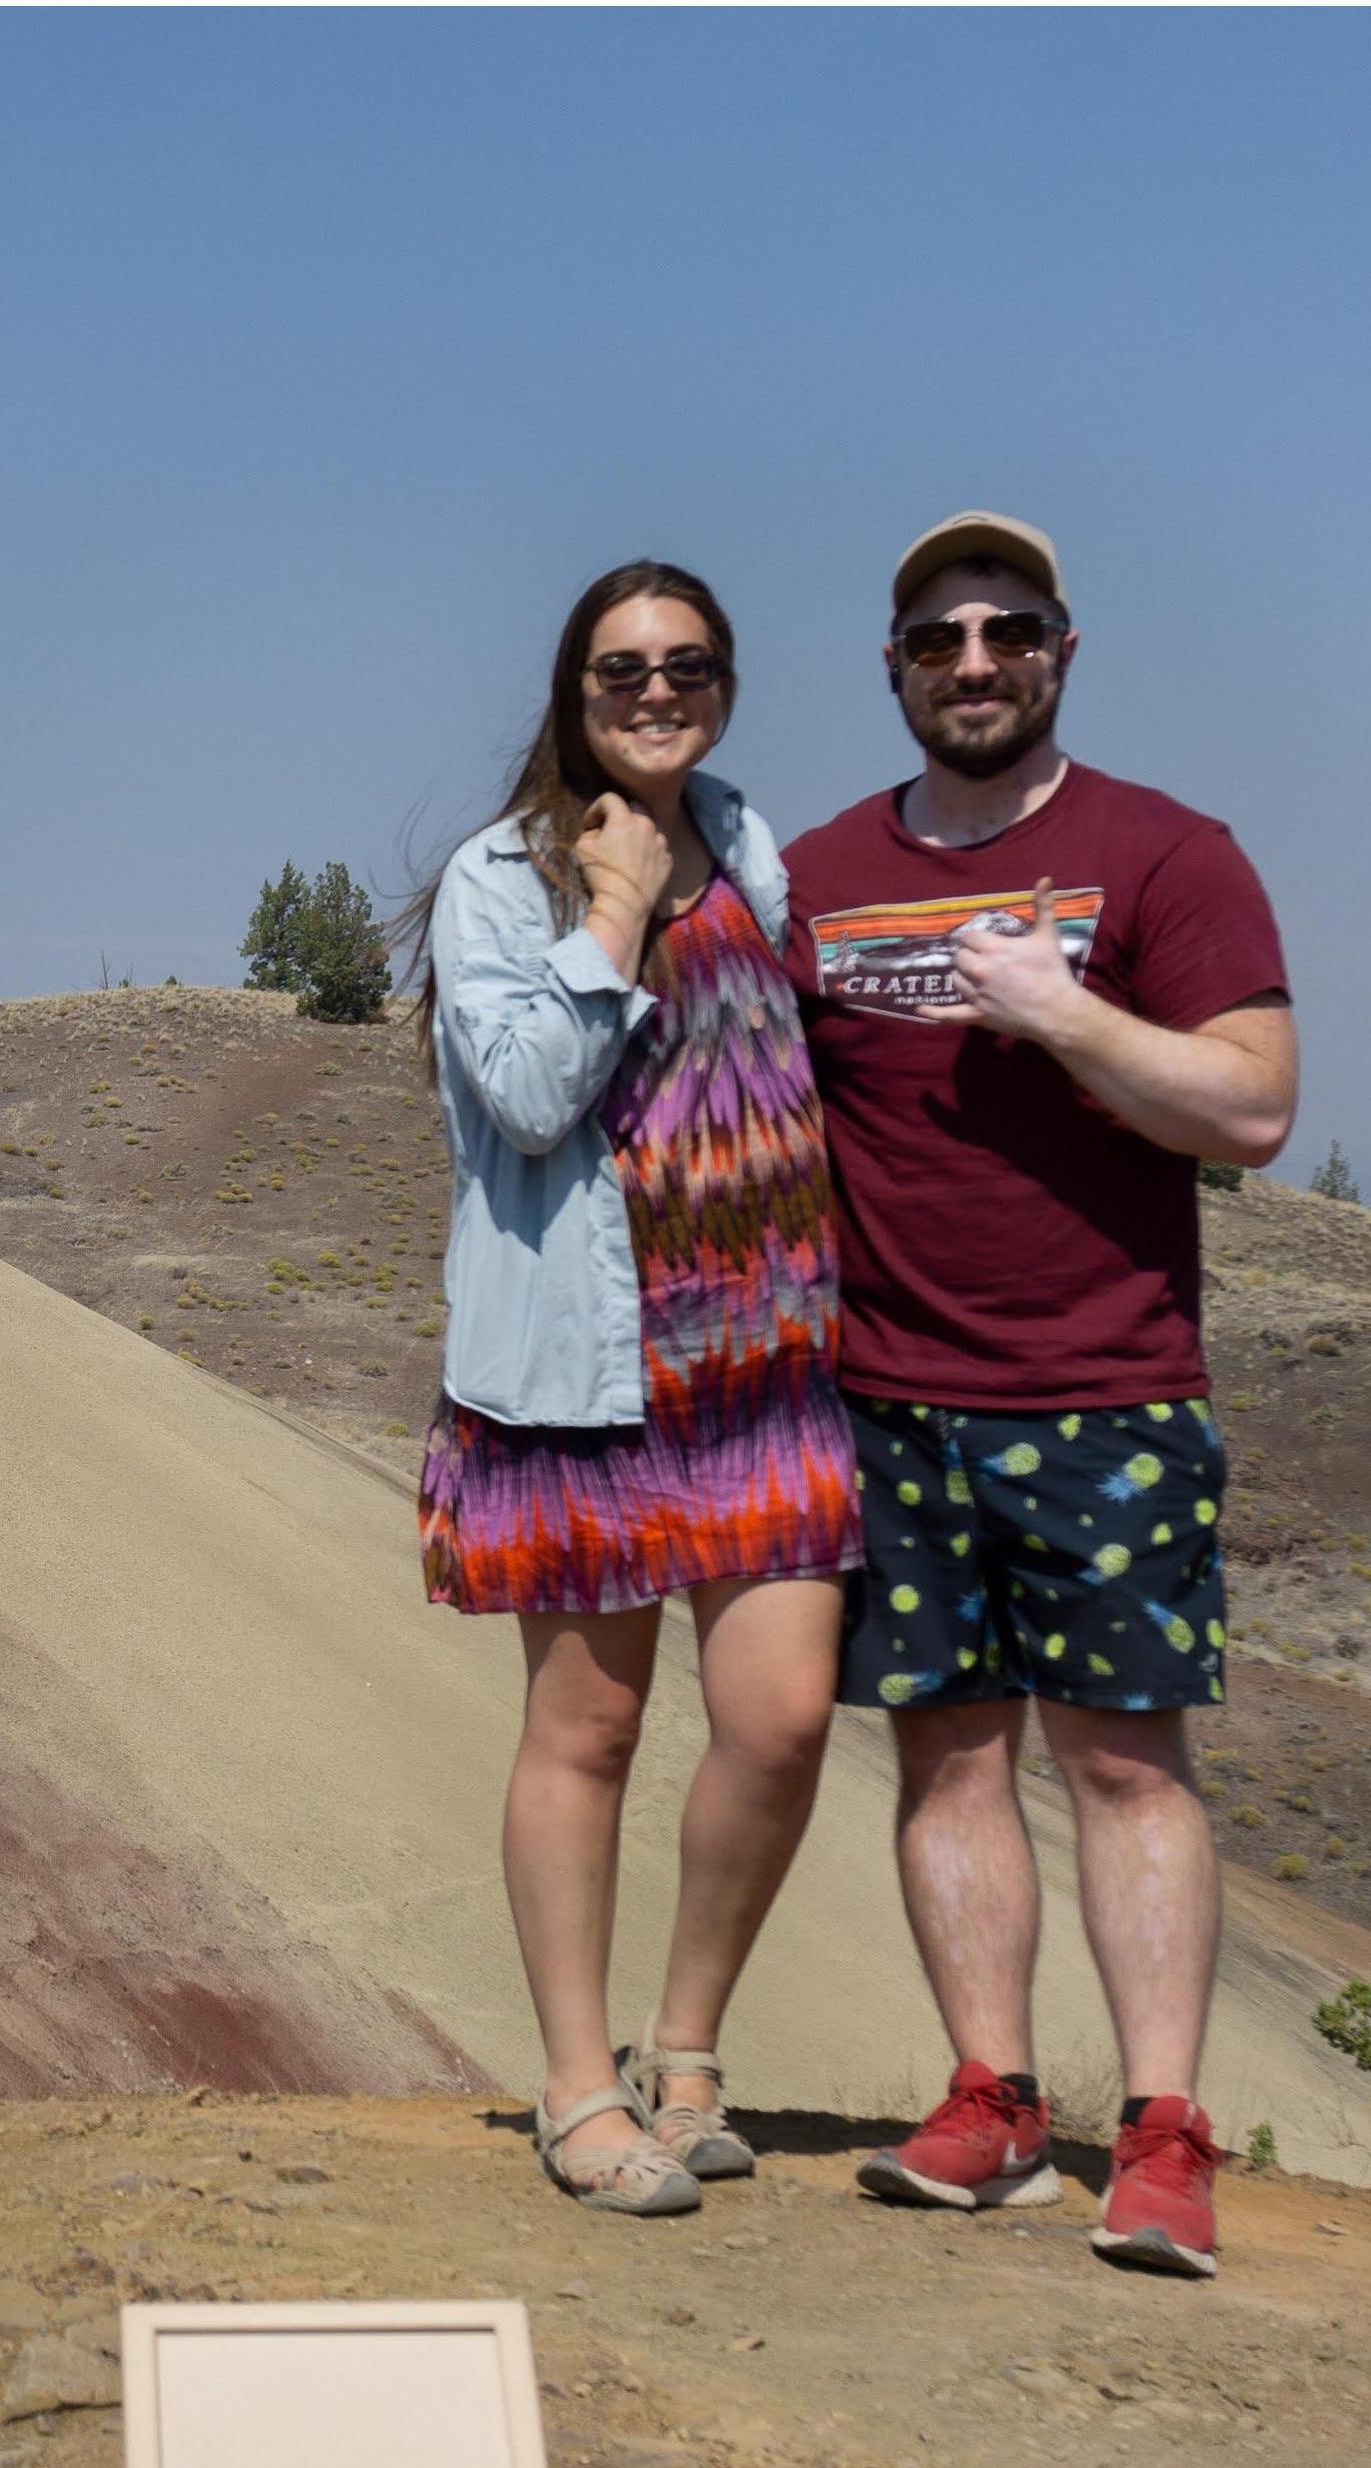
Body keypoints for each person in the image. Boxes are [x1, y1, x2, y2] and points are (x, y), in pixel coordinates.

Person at [782, 511, 1299, 2280]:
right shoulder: (820, 875)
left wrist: (1066, 1017)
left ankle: (1157, 2134)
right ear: (896, 669)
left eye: (1008, 629)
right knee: (942, 1763)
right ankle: (992, 2102)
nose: (976, 662)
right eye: (940, 637)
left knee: (1125, 1765)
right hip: (890, 1398)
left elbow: (1248, 1106)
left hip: (1106, 1390)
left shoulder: (1166, 853)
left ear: (1062, 649)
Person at [412, 560, 861, 2217]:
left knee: (780, 1718)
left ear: (724, 682)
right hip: (587, 1371)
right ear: (570, 690)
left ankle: (688, 2052)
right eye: (620, 670)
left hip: (766, 1360)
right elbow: (528, 1094)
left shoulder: (750, 846)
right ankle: (574, 2088)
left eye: (684, 664)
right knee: (588, 1726)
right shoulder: (497, 878)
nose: (654, 690)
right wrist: (607, 906)